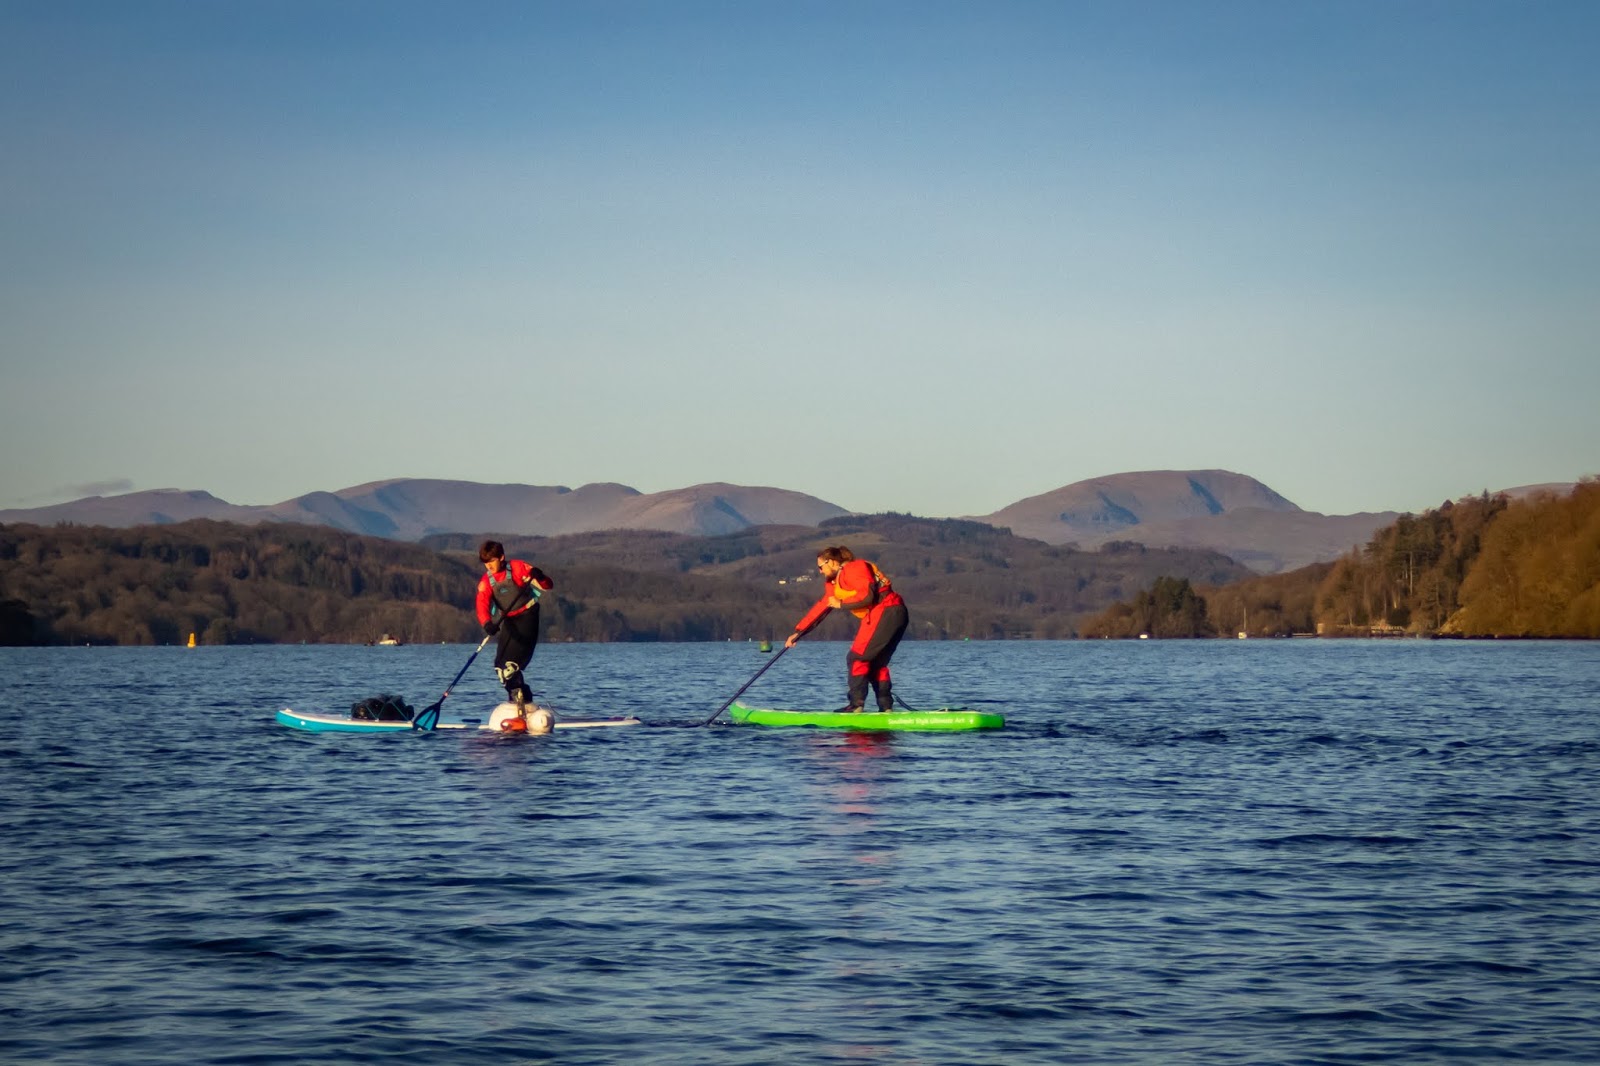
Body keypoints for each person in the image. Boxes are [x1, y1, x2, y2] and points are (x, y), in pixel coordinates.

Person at [785, 545, 909, 712]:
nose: (820, 571)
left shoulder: (853, 568)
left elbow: (867, 596)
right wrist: (799, 632)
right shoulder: (836, 582)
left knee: (856, 658)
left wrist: (841, 603)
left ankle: (856, 706)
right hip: (892, 612)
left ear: (832, 562)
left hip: (885, 611)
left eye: (820, 567)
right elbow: (822, 607)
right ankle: (886, 708)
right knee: (876, 662)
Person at [475, 539, 554, 708]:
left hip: (528, 615)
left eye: (491, 561)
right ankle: (519, 697)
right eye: (485, 563)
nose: (488, 566)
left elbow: (548, 585)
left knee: (511, 667)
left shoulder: (518, 568)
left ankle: (523, 699)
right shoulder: (486, 581)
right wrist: (487, 624)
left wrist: (540, 576)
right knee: (500, 668)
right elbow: (481, 604)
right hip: (509, 620)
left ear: (501, 557)